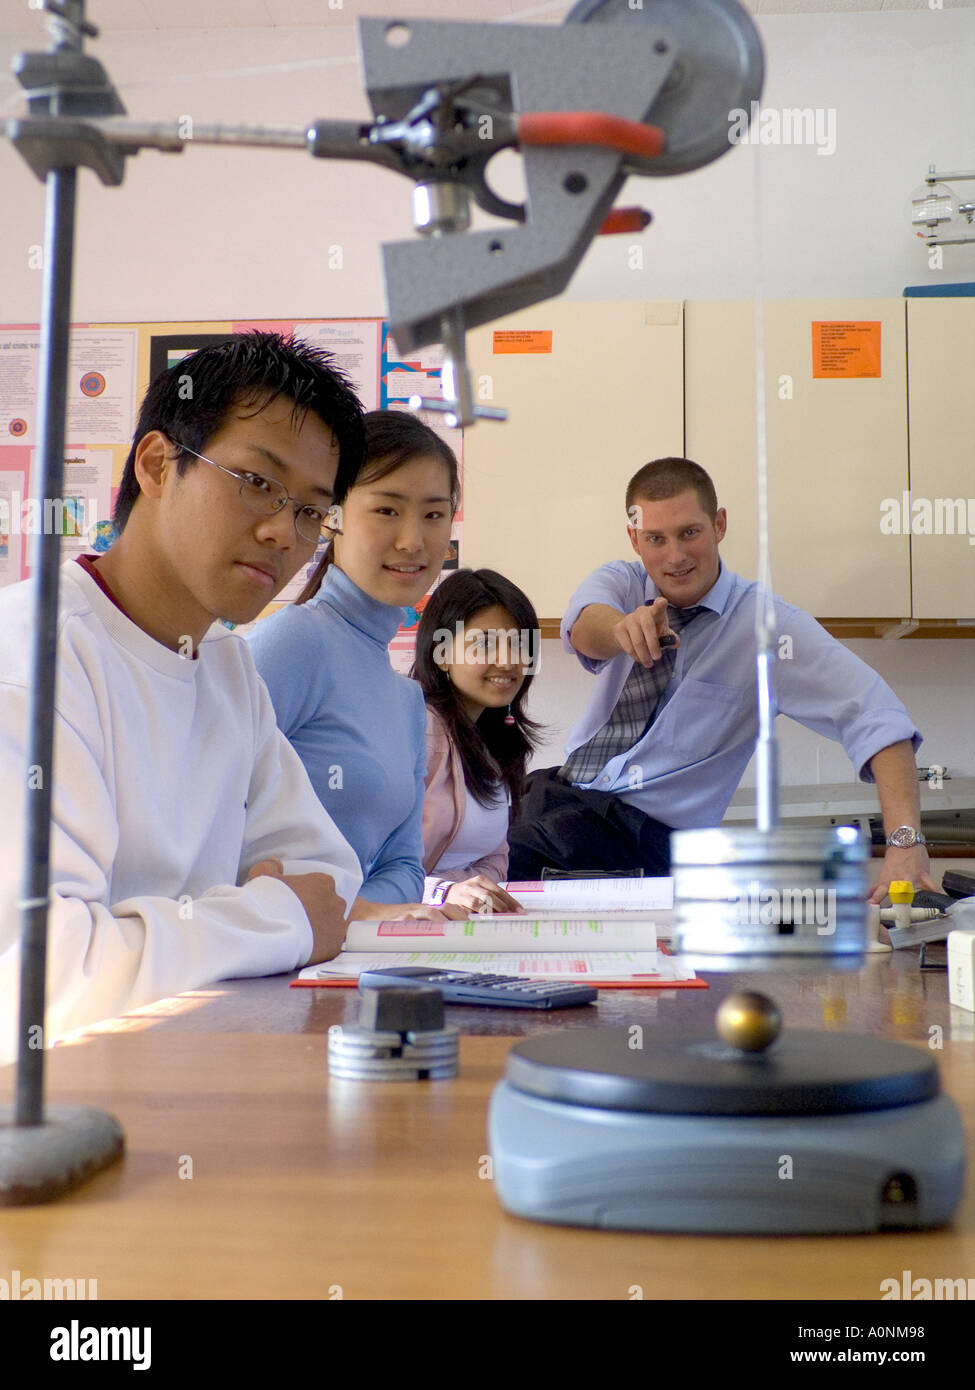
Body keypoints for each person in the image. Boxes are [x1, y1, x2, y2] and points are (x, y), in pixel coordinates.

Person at [0, 332, 368, 1062]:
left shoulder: (227, 666)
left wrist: (170, 935)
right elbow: (40, 988)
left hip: (190, 1073)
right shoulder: (31, 662)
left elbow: (326, 884)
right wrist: (265, 915)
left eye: (310, 512)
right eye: (257, 482)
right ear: (157, 463)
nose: (281, 533)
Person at [508, 456, 937, 905]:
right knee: (471, 851)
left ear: (719, 524)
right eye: (656, 539)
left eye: (689, 533)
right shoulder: (623, 582)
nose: (674, 556)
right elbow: (584, 627)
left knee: (489, 881)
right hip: (561, 798)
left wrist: (905, 843)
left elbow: (878, 718)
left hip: (645, 840)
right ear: (635, 539)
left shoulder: (769, 628)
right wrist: (621, 630)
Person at [247, 410, 465, 920]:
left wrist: (366, 915)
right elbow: (205, 823)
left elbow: (405, 868)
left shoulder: (407, 699)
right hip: (263, 967)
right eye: (387, 511)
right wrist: (362, 916)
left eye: (434, 515)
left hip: (347, 966)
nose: (413, 540)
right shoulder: (296, 640)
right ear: (333, 515)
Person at [411, 568, 541, 914]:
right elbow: (366, 864)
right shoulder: (417, 730)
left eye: (518, 644)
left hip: (460, 924)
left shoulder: (496, 738)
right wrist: (442, 891)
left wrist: (474, 891)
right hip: (400, 926)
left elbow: (494, 856)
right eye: (485, 644)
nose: (508, 660)